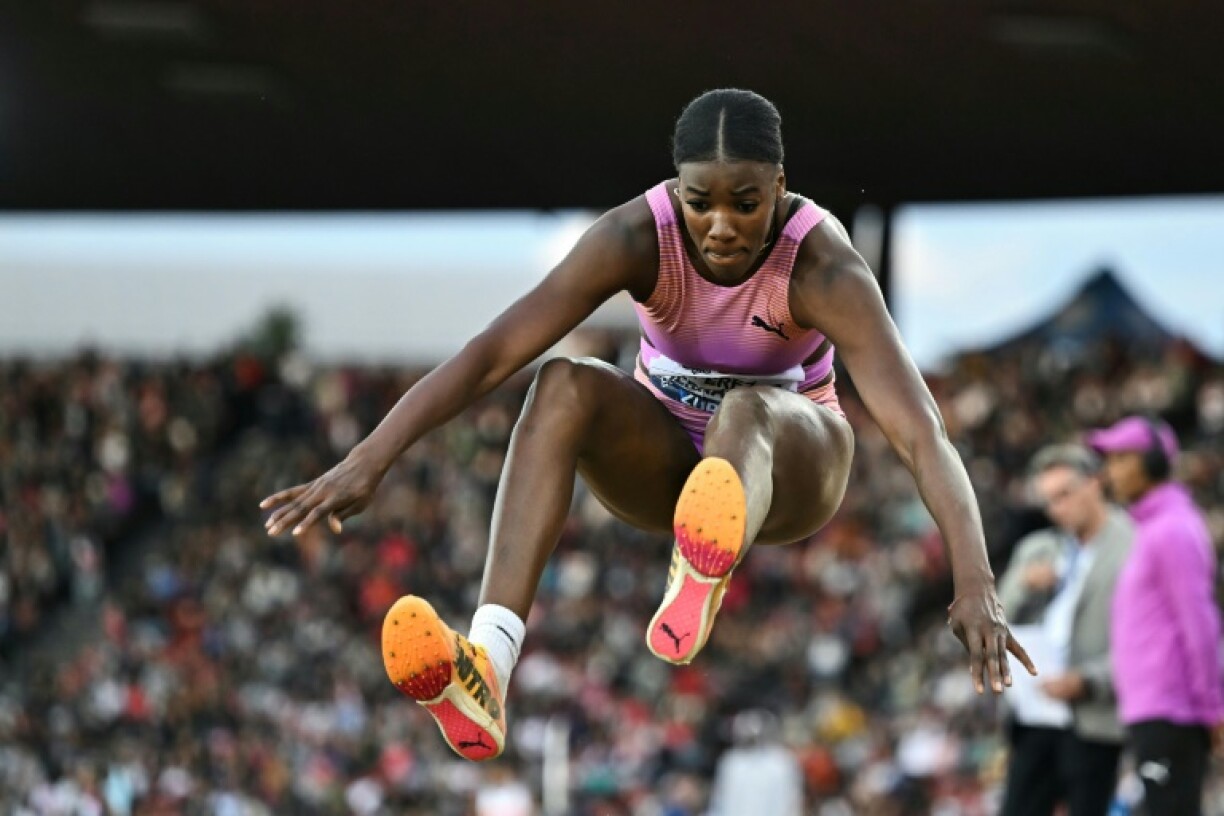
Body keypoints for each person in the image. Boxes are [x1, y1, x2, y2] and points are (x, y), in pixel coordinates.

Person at [260, 88, 1034, 761]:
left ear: (781, 188)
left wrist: (975, 580)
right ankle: (489, 662)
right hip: (664, 463)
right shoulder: (634, 237)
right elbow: (494, 351)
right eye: (701, 202)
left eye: (747, 202)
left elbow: (919, 430)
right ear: (676, 189)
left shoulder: (821, 266)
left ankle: (705, 567)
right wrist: (369, 458)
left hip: (792, 468)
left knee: (747, 405)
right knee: (562, 382)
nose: (722, 225)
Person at [1087, 415, 1222, 816]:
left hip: (1173, 711)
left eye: (1120, 458)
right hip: (1152, 710)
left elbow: (1199, 621)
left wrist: (1211, 706)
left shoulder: (1173, 529)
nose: (1109, 472)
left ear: (1154, 461)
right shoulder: (1148, 530)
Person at [996, 444, 1133, 816]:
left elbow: (1144, 643)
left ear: (1094, 483)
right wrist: (1025, 584)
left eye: (1065, 494)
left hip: (1095, 716)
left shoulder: (1133, 546)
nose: (1057, 509)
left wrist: (1088, 680)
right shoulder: (1040, 548)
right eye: (1049, 501)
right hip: (1038, 714)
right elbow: (996, 614)